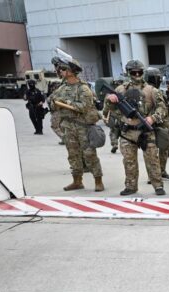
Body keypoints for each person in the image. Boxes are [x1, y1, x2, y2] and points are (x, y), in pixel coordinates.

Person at [104, 59, 168, 196]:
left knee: (152, 160)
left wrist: (153, 118)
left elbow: (163, 108)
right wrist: (109, 100)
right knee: (129, 161)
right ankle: (131, 186)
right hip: (127, 132)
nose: (137, 75)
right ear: (128, 73)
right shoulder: (120, 90)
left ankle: (158, 185)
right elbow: (108, 110)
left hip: (146, 131)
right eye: (134, 72)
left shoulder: (151, 90)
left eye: (140, 72)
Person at [47, 57, 104, 192]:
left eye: (63, 69)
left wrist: (65, 103)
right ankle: (77, 181)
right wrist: (55, 103)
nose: (60, 71)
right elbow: (51, 102)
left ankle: (98, 181)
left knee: (89, 154)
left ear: (72, 71)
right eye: (60, 69)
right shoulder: (62, 88)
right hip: (68, 126)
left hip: (83, 126)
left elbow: (83, 107)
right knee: (73, 154)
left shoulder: (83, 88)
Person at [145, 67, 169, 181]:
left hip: (164, 125)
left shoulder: (159, 91)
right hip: (153, 125)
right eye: (158, 78)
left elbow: (165, 108)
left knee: (164, 149)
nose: (160, 80)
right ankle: (152, 175)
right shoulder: (148, 91)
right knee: (152, 152)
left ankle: (162, 171)